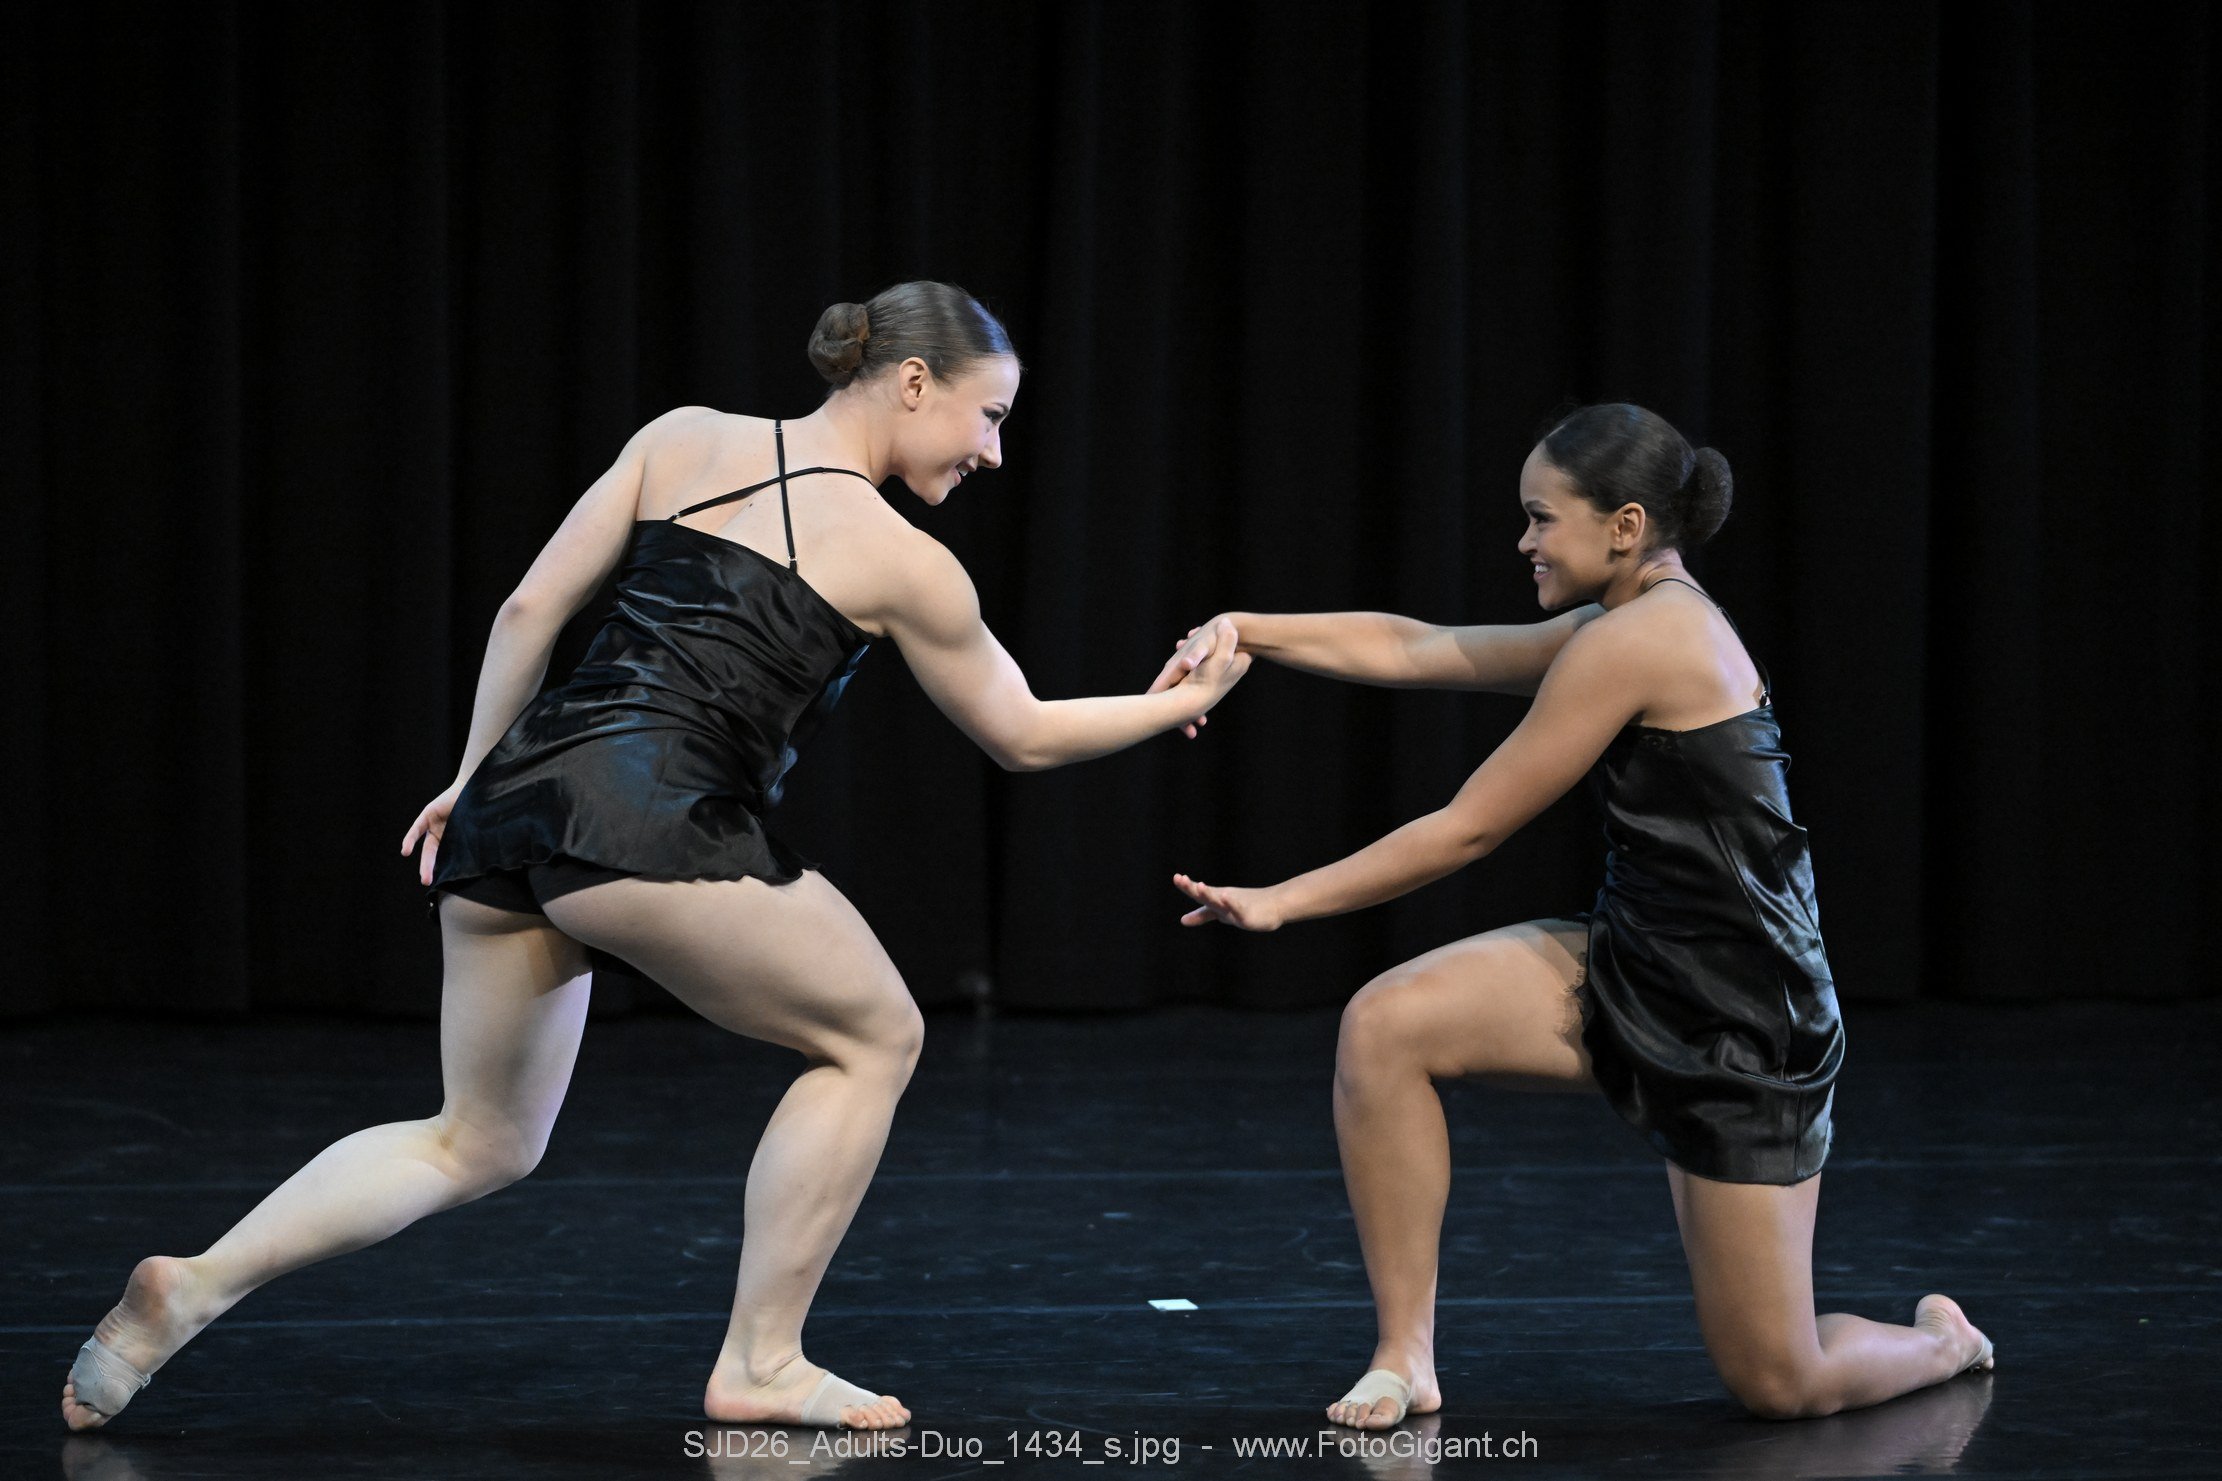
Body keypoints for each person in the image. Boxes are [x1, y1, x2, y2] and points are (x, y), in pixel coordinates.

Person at [62, 281, 1249, 1434]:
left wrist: (472, 778)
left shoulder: (680, 436)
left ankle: (194, 1282)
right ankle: (761, 1359)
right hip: (651, 815)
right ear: (910, 381)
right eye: (987, 414)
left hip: (518, 798)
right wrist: (1183, 702)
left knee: (476, 1136)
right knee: (875, 1036)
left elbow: (527, 610)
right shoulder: (904, 560)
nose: (992, 450)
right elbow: (1021, 732)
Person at [1150, 404, 1992, 1428]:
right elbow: (1423, 647)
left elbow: (1467, 827)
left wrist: (1283, 900)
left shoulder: (1647, 639)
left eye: (1541, 518)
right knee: (1385, 1024)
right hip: (1635, 958)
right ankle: (1404, 1354)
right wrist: (1245, 626)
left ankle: (1944, 1340)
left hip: (1742, 1018)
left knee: (1781, 1381)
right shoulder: (1620, 622)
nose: (1524, 541)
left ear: (1624, 525)